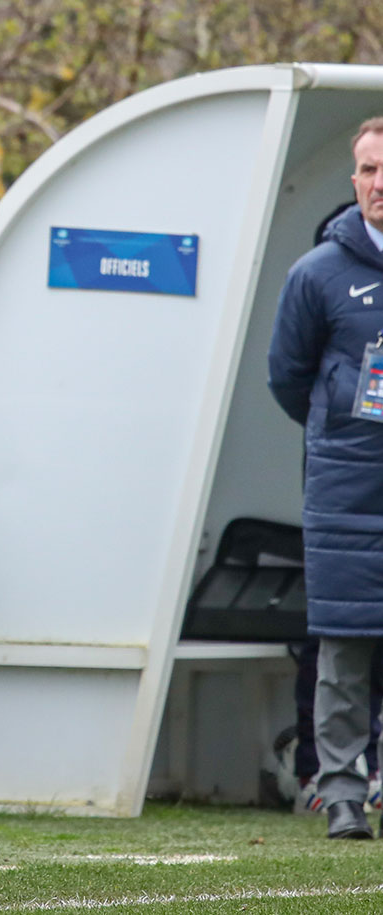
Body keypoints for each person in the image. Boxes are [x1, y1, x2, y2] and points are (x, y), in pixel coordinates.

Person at [268, 115, 383, 841]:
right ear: (354, 181)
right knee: (344, 647)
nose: (381, 185)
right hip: (349, 489)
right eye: (370, 171)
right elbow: (288, 378)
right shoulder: (317, 274)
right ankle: (342, 790)